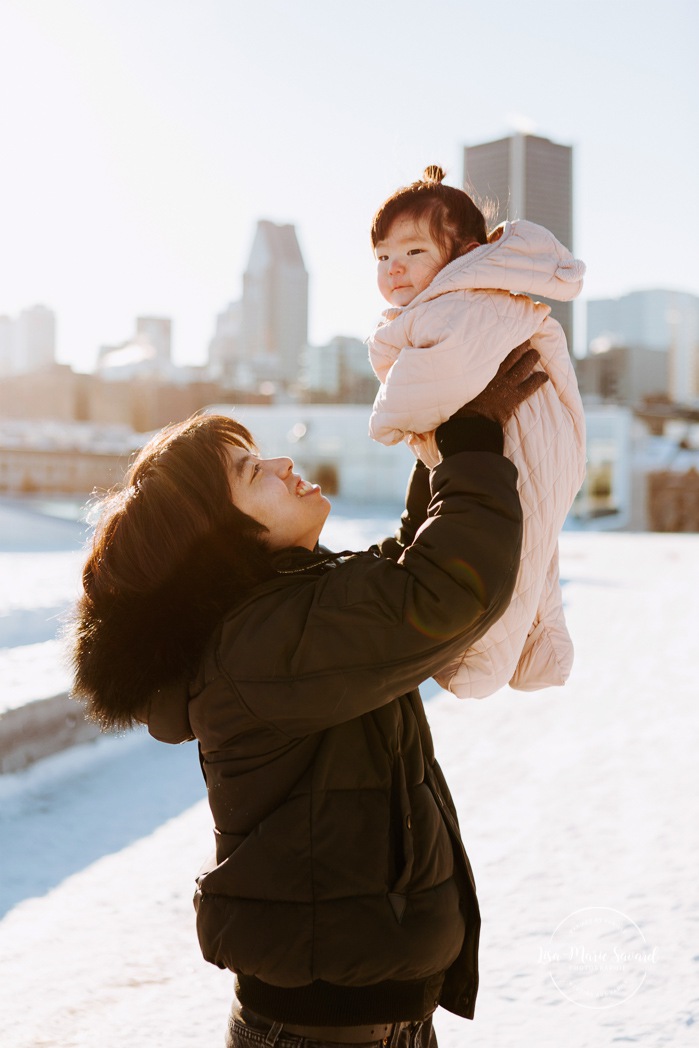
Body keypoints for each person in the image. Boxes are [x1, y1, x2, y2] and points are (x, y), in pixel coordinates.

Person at [69, 344, 546, 1048]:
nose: (281, 465)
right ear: (217, 537)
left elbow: (397, 578)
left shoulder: (281, 614)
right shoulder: (262, 646)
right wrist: (469, 446)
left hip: (358, 1018)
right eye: (250, 472)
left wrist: (443, 450)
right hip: (329, 1031)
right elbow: (442, 590)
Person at [368, 166, 587, 699]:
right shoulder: (466, 298)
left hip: (521, 435)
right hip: (532, 444)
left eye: (414, 252)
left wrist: (391, 417)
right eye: (382, 257)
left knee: (521, 554)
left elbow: (435, 383)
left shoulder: (461, 303)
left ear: (464, 254)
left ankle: (482, 665)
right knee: (531, 554)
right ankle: (543, 651)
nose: (395, 268)